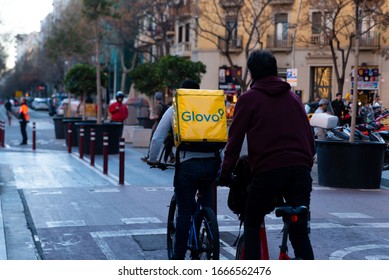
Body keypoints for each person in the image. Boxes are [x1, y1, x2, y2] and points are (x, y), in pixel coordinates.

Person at [217, 50, 315, 260]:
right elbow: (310, 138)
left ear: (252, 73)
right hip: (300, 171)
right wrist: (305, 164)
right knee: (299, 232)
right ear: (274, 69)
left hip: (268, 171)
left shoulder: (248, 99)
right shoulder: (293, 98)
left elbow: (234, 142)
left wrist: (225, 174)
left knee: (252, 219)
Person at [147, 80, 221, 260]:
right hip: (211, 163)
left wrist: (153, 158)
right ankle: (209, 234)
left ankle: (178, 257)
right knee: (208, 205)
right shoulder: (209, 109)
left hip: (187, 166)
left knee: (185, 211)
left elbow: (158, 137)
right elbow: (220, 137)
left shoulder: (176, 109)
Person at [141, 92, 168, 162]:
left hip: (157, 126)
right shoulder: (165, 106)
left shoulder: (158, 106)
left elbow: (156, 116)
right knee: (165, 141)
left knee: (153, 140)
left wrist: (151, 117)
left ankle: (149, 156)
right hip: (165, 126)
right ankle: (171, 156)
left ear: (155, 98)